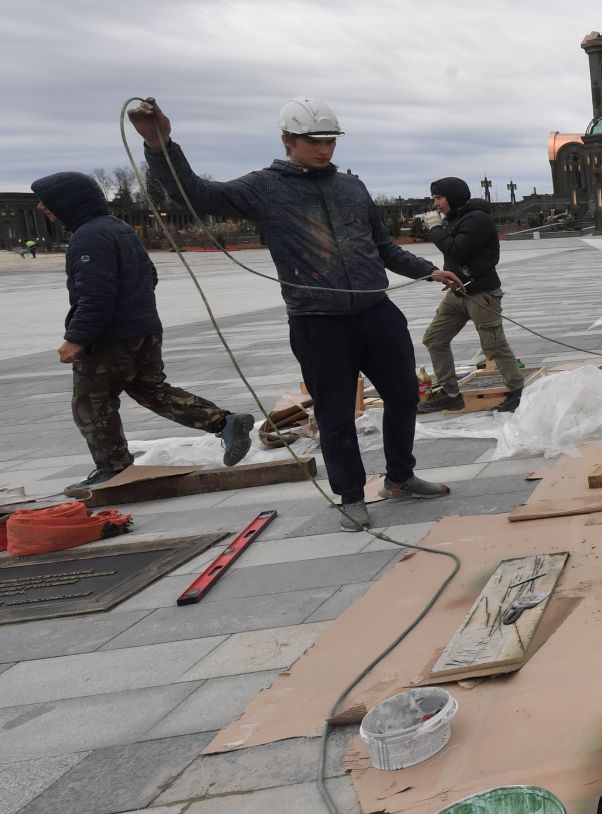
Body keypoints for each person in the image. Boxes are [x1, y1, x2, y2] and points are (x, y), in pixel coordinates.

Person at [130, 97, 463, 531]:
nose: (324, 149)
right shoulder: (262, 188)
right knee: (335, 412)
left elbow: (381, 247)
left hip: (375, 310)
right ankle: (350, 496)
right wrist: (160, 145)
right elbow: (193, 194)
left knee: (404, 395)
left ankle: (400, 478)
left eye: (330, 140)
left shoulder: (351, 188)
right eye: (313, 140)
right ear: (288, 139)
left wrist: (428, 270)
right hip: (317, 321)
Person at [31, 172, 256, 495]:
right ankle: (223, 422)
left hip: (109, 339)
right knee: (152, 390)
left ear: (67, 203)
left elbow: (95, 295)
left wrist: (77, 338)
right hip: (145, 330)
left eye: (47, 201)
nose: (42, 207)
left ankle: (113, 468)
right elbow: (149, 277)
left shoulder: (89, 237)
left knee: (92, 403)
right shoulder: (120, 229)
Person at [416, 177, 523, 415]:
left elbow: (456, 249)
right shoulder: (456, 218)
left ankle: (518, 393)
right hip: (458, 293)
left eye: (438, 198)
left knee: (493, 346)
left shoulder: (477, 220)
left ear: (452, 196)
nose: (435, 204)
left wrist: (435, 229)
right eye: (434, 198)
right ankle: (451, 394)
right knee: (434, 339)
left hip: (482, 294)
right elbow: (455, 255)